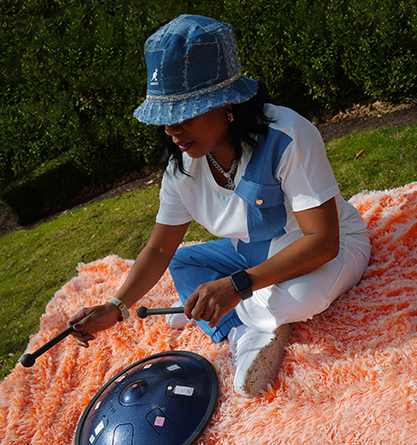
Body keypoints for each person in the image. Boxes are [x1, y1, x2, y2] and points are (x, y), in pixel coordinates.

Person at [68, 14, 371, 397]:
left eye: (183, 114)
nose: (171, 129)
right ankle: (241, 331)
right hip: (251, 256)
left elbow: (323, 240)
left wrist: (237, 286)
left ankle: (227, 310)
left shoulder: (288, 135)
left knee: (297, 297)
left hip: (333, 247)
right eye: (165, 118)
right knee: (183, 261)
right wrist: (116, 306)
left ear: (227, 103)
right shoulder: (182, 167)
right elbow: (161, 248)